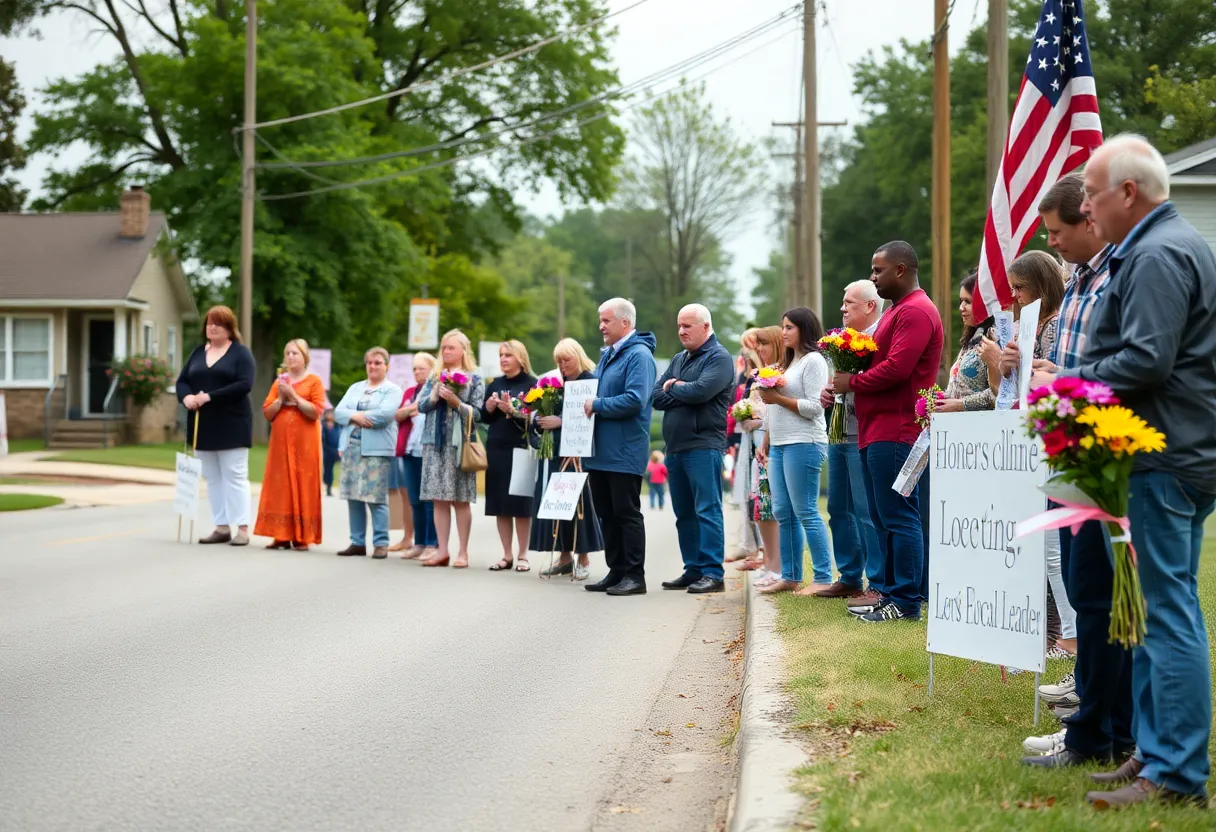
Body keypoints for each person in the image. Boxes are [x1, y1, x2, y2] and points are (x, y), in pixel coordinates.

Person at [1033, 136, 1216, 808]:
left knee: (1166, 614)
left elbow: (1145, 361)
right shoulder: (1157, 248)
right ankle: (1151, 752)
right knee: (1145, 616)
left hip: (1163, 459)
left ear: (1127, 194)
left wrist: (1067, 382)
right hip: (1161, 453)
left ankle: (1176, 773)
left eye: (1092, 194)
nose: (1086, 205)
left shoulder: (1160, 254)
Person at [1012, 173, 1131, 771]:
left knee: (1105, 598)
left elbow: (1123, 369)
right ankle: (1098, 722)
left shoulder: (1119, 275)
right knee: (1090, 594)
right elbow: (1082, 364)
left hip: (1106, 455)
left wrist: (1055, 379)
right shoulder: (1081, 277)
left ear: (1089, 218)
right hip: (1072, 449)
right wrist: (1046, 372)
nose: (1052, 243)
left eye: (1057, 231)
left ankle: (1101, 732)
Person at [831, 241, 944, 623]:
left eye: (878, 270)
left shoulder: (917, 311)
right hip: (877, 428)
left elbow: (898, 369)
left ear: (901, 269)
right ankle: (893, 593)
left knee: (899, 516)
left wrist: (852, 382)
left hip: (898, 429)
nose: (873, 276)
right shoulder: (898, 311)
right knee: (883, 517)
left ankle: (908, 602)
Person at [992, 250, 1076, 658]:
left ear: (1042, 284)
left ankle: (1068, 636)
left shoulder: (1057, 323)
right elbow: (1006, 389)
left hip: (1055, 441)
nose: (1014, 294)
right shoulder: (1030, 324)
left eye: (1020, 286)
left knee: (1055, 548)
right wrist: (1005, 365)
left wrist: (1034, 366)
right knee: (1042, 549)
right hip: (1031, 439)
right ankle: (1050, 633)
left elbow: (1061, 374)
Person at [652, 304, 736, 595]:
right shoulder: (678, 359)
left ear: (705, 326)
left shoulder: (720, 358)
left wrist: (673, 387)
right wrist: (680, 388)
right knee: (684, 513)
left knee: (707, 510)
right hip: (675, 447)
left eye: (688, 325)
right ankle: (693, 569)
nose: (681, 331)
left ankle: (713, 572)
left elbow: (701, 392)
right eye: (679, 326)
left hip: (703, 445)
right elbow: (655, 396)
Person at [754, 307, 832, 596]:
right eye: (783, 326)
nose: (783, 332)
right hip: (780, 445)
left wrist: (776, 399)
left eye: (789, 327)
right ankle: (789, 575)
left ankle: (823, 577)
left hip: (805, 442)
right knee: (783, 511)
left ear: (804, 329)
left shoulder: (814, 361)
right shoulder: (788, 363)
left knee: (806, 511)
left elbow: (815, 407)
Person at [583, 298, 658, 596]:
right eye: (600, 320)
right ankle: (615, 571)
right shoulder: (609, 355)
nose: (601, 326)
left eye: (606, 320)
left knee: (626, 513)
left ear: (625, 323)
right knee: (606, 513)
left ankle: (634, 575)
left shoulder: (638, 355)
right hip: (602, 451)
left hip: (625, 450)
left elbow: (635, 399)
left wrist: (597, 404)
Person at [815, 281, 883, 601]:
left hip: (863, 433)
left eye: (849, 303)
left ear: (870, 306)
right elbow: (839, 382)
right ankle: (849, 575)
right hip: (839, 429)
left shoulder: (880, 338)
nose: (842, 308)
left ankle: (877, 579)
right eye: (843, 303)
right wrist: (830, 391)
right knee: (837, 507)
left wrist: (851, 384)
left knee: (865, 509)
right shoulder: (841, 342)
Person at [176, 305, 256, 546]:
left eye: (218, 323)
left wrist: (209, 396)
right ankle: (221, 526)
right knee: (212, 477)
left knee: (235, 475)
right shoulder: (199, 352)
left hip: (232, 423)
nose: (212, 327)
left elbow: (244, 384)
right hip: (203, 425)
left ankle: (241, 528)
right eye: (210, 322)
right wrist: (187, 397)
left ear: (229, 328)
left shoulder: (240, 353)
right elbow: (183, 381)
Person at [532, 338, 604, 581]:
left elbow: (592, 418)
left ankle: (583, 556)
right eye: (558, 361)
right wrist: (539, 418)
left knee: (580, 505)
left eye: (566, 360)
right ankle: (564, 556)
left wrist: (561, 422)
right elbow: (544, 413)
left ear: (578, 357)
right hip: (557, 452)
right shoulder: (557, 385)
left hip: (580, 453)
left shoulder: (590, 382)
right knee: (560, 502)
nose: (562, 365)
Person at [417, 329, 486, 569]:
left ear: (463, 351)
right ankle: (442, 550)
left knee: (460, 499)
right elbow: (421, 406)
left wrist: (457, 403)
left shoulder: (475, 378)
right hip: (435, 444)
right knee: (439, 499)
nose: (446, 352)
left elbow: (478, 413)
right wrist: (434, 397)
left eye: (451, 348)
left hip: (460, 445)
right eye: (444, 348)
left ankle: (463, 552)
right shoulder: (434, 376)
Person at [253, 339, 326, 551]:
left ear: (305, 357)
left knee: (303, 481)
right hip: (281, 442)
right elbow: (267, 412)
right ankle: (281, 534)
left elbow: (316, 411)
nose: (291, 357)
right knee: (281, 483)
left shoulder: (314, 382)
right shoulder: (279, 382)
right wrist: (281, 400)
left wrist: (294, 396)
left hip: (305, 442)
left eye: (295, 353)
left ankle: (303, 536)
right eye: (287, 353)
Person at [333, 348, 402, 559]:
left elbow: (384, 415)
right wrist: (358, 417)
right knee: (353, 496)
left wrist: (354, 416)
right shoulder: (356, 388)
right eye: (370, 362)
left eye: (378, 363)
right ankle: (357, 542)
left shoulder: (392, 390)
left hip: (377, 450)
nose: (373, 366)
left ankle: (381, 542)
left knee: (376, 497)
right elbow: (338, 412)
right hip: (352, 447)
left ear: (386, 366)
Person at [481, 340, 537, 572]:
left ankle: (523, 554)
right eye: (501, 355)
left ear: (520, 358)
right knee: (500, 503)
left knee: (520, 503)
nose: (503, 359)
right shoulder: (495, 383)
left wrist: (512, 411)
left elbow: (534, 420)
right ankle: (507, 554)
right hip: (497, 447)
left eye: (508, 355)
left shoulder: (533, 384)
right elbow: (484, 418)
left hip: (521, 446)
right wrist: (490, 408)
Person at [737, 326, 783, 588]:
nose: (759, 351)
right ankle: (769, 562)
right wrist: (744, 415)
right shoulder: (757, 375)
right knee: (760, 508)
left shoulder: (779, 374)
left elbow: (774, 410)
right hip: (758, 447)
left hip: (772, 444)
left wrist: (756, 418)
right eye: (758, 346)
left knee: (771, 508)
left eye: (764, 345)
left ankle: (776, 564)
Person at [396, 352, 439, 560]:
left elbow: (418, 410)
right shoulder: (411, 392)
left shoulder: (435, 389)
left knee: (430, 498)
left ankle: (433, 543)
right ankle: (419, 542)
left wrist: (411, 409)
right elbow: (398, 415)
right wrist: (410, 409)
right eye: (414, 368)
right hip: (409, 449)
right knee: (415, 499)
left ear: (432, 369)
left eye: (421, 368)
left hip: (428, 449)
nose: (416, 372)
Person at [936, 271, 997, 413]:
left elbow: (999, 393)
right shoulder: (973, 338)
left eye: (968, 302)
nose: (961, 308)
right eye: (960, 301)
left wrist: (959, 404)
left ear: (983, 303)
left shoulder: (994, 338)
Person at [321, 409, 340, 497]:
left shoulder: (337, 428)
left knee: (331, 470)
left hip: (334, 452)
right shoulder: (323, 427)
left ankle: (329, 487)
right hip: (326, 452)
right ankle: (325, 483)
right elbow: (323, 441)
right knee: (326, 470)